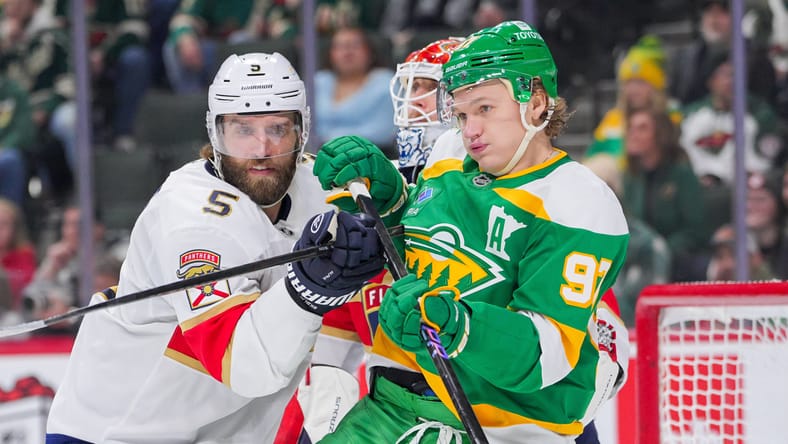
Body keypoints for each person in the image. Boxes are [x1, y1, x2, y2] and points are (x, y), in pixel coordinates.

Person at [313, 21, 629, 443]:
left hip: (498, 425)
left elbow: (545, 355)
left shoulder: (578, 203)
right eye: (462, 114)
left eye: (485, 109)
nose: (469, 129)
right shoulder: (449, 154)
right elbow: (424, 250)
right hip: (392, 403)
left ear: (536, 103)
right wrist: (389, 203)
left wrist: (459, 327)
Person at [45, 52, 385, 443]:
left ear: (301, 130)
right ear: (216, 133)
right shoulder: (193, 220)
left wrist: (389, 192)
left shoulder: (318, 185)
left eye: (277, 128)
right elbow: (246, 367)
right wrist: (306, 290)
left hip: (225, 428)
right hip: (118, 432)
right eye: (243, 129)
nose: (261, 148)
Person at [314, 26, 395, 149]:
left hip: (369, 155)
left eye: (355, 46)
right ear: (330, 54)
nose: (347, 52)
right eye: (340, 47)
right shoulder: (319, 81)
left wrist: (332, 140)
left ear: (370, 52)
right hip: (316, 154)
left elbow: (384, 131)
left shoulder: (386, 82)